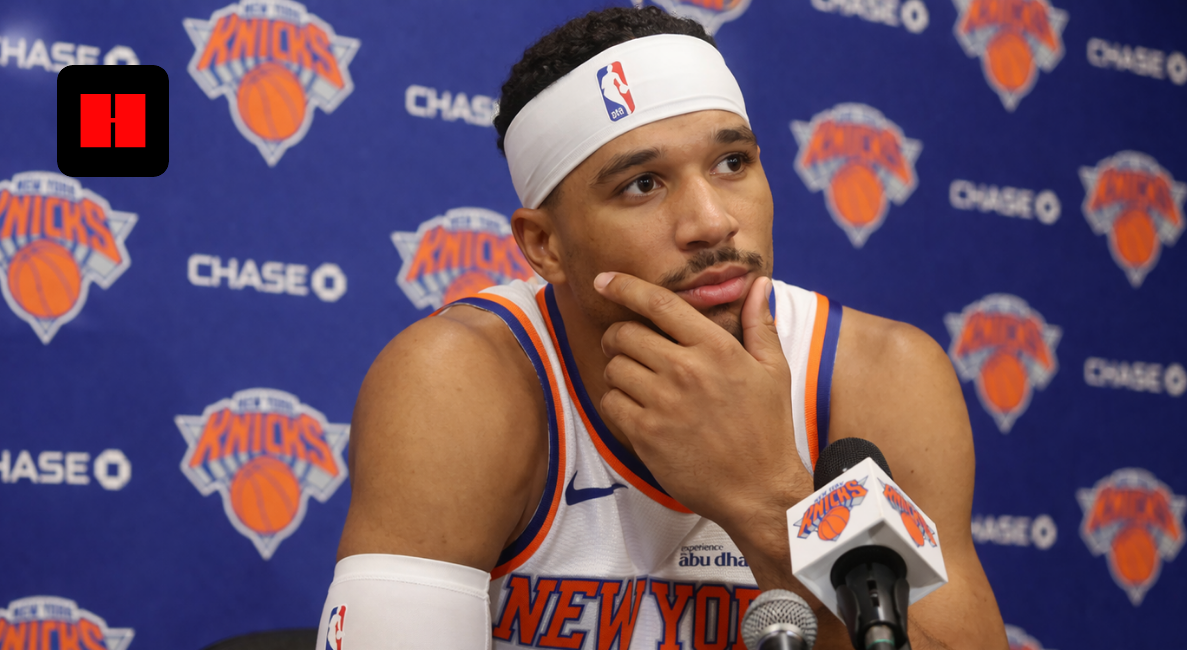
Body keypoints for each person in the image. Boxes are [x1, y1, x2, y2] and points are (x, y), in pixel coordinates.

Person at [317, 7, 1008, 649]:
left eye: (732, 163)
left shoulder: (877, 375)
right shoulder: (461, 382)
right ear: (544, 246)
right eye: (642, 184)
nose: (712, 221)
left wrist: (768, 497)